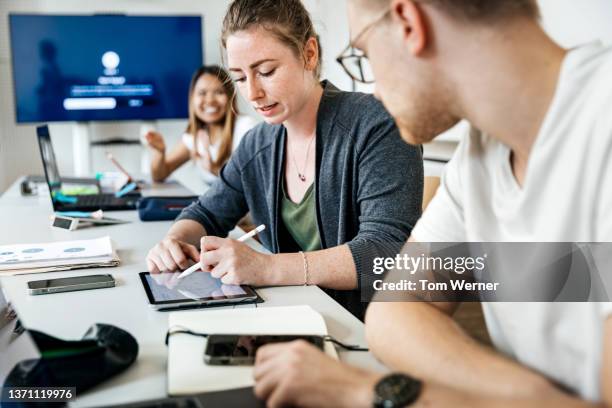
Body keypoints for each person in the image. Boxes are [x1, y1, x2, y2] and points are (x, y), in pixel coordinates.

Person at [252, 0, 612, 407]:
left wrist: (361, 392)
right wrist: (535, 396)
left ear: (410, 23)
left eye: (365, 55)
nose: (375, 90)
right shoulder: (480, 154)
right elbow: (396, 309)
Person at [145, 0, 423, 320]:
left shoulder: (375, 125)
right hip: (293, 321)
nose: (252, 93)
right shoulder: (258, 144)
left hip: (366, 328)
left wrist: (267, 267)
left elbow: (386, 252)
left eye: (266, 71)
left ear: (309, 54)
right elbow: (207, 212)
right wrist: (174, 241)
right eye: (238, 77)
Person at [144, 65, 257, 187]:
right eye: (202, 93)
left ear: (230, 96)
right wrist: (159, 152)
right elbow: (159, 175)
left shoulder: (245, 127)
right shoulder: (195, 136)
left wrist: (214, 170)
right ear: (192, 98)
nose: (210, 100)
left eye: (219, 92)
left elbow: (254, 184)